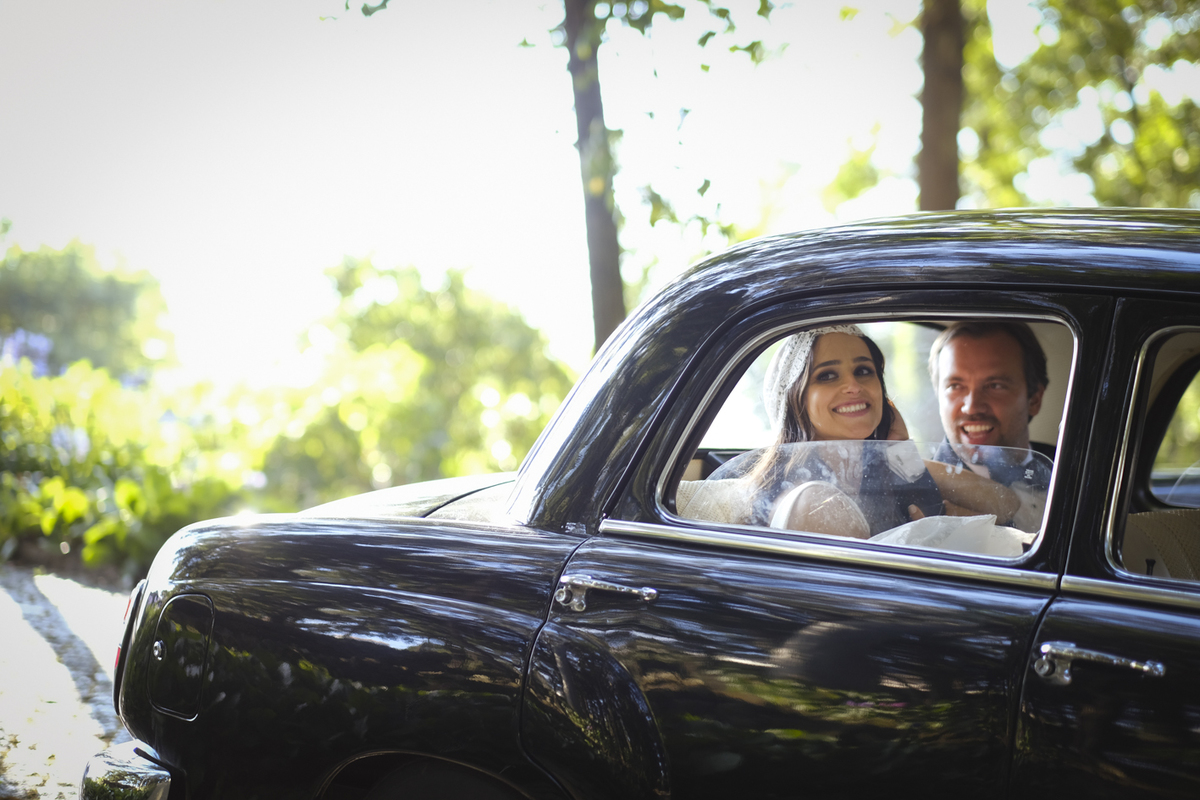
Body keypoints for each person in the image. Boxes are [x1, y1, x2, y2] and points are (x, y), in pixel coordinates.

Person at [749, 325, 1016, 537]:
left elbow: (1005, 504)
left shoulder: (876, 470)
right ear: (795, 401)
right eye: (827, 375)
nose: (854, 385)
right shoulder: (815, 500)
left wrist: (899, 451)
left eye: (863, 370)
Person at [928, 321, 1053, 530]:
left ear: (1034, 400)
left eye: (995, 385)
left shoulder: (1073, 473)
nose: (972, 407)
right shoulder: (923, 494)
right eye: (955, 386)